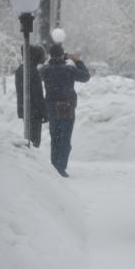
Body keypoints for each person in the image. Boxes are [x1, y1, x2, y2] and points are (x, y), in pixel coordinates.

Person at [40, 44, 90, 178]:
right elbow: (86, 77)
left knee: (55, 138)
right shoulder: (68, 70)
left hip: (51, 107)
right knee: (65, 139)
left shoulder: (45, 70)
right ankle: (61, 167)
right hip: (66, 107)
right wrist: (76, 61)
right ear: (62, 55)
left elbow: (44, 70)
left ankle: (54, 166)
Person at [15, 45, 48, 148]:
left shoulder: (21, 69)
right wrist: (44, 113)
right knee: (34, 143)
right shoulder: (32, 71)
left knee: (29, 139)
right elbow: (37, 95)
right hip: (34, 112)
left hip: (26, 109)